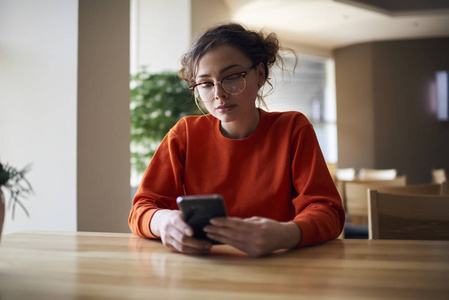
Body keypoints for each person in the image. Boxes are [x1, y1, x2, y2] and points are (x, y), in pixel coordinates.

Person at [129, 23, 345, 257]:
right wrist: (162, 221)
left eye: (232, 77)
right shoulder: (184, 134)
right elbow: (141, 209)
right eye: (206, 84)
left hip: (278, 267)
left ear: (260, 74)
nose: (219, 93)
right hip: (202, 268)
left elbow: (328, 211)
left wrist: (286, 234)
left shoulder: (292, 128)